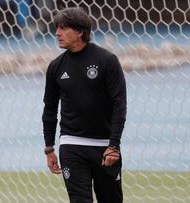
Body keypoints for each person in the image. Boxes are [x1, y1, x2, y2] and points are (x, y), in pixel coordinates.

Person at [42, 7, 127, 203]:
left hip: (105, 147)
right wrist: (49, 148)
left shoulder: (107, 61)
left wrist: (114, 144)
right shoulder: (56, 67)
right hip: (72, 144)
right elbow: (49, 109)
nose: (57, 33)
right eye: (57, 28)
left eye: (63, 28)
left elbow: (119, 104)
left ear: (80, 32)